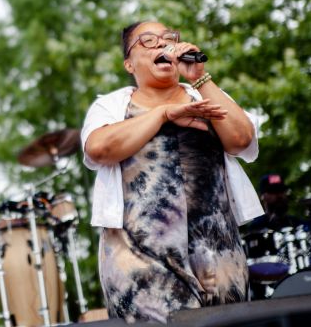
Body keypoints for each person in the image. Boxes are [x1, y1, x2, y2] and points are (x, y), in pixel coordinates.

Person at [81, 21, 262, 323]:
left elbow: (241, 140)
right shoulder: (112, 106)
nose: (161, 45)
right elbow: (99, 148)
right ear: (129, 63)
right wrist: (163, 114)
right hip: (140, 258)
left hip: (217, 251)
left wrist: (200, 77)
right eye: (148, 41)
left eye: (168, 39)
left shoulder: (202, 94)